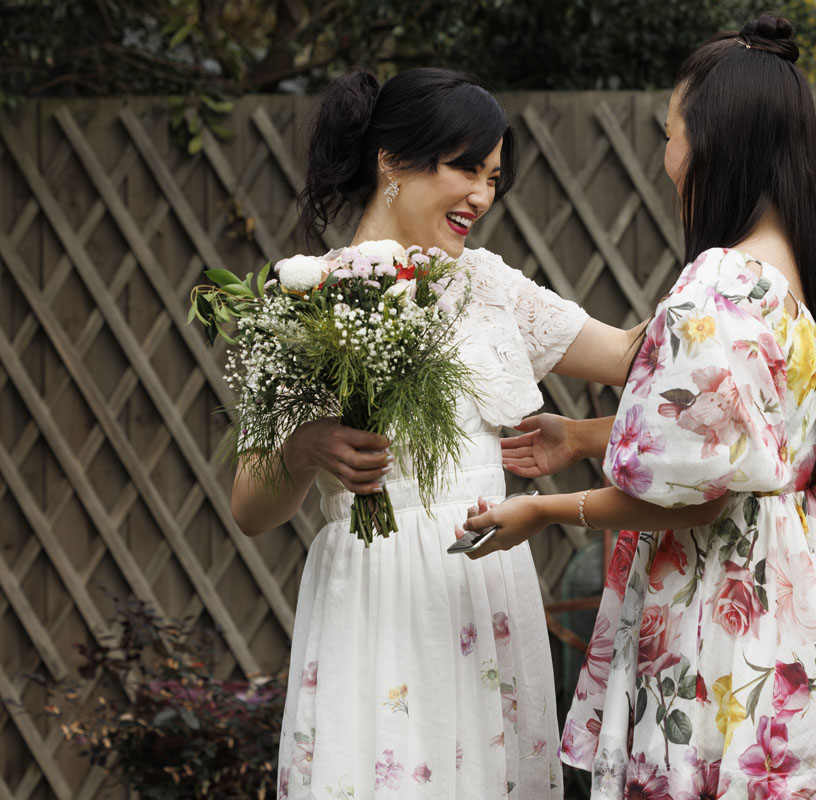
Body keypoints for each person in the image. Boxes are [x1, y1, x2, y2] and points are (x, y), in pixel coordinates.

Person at [459, 15, 816, 798]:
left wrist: (542, 512)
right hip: (805, 620)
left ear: (714, 143)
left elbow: (699, 501)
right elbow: (751, 446)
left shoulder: (718, 286)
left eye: (670, 134)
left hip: (728, 625)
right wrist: (581, 436)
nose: (666, 156)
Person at [231, 67, 639, 800]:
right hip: (378, 596)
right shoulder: (307, 297)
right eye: (465, 169)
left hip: (484, 584)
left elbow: (624, 355)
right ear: (392, 161)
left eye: (493, 178)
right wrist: (306, 447)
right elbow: (250, 509)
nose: (482, 196)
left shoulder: (487, 284)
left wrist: (739, 287)